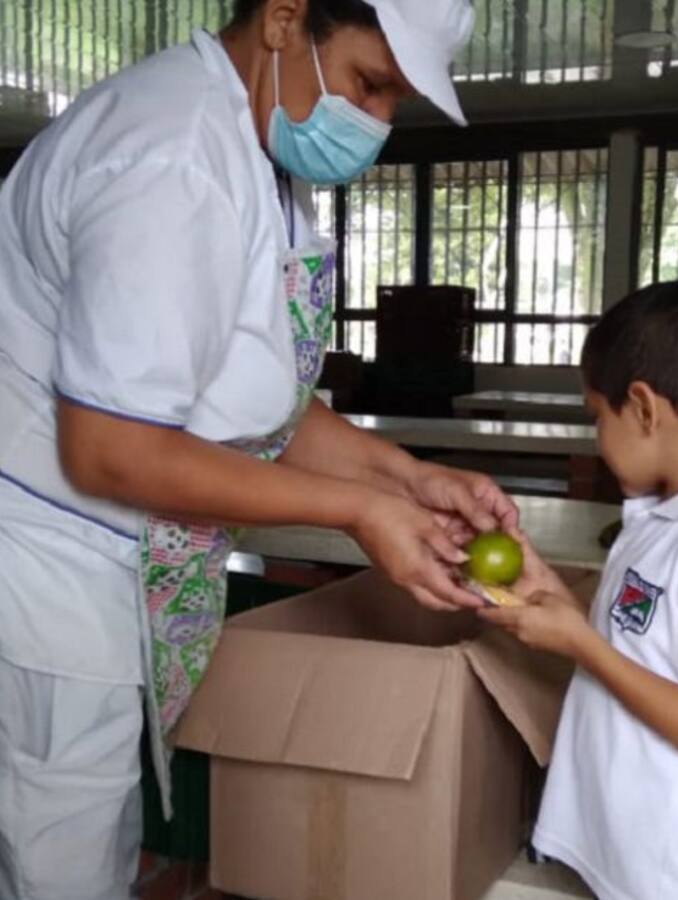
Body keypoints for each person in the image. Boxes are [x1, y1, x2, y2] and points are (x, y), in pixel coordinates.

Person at [0, 1, 517, 897]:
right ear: (285, 19)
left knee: (86, 834)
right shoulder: (171, 158)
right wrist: (361, 509)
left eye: (396, 99)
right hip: (48, 561)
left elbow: (255, 399)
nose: (379, 122)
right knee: (61, 859)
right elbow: (111, 450)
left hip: (108, 560)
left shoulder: (259, 149)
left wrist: (405, 474)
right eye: (371, 82)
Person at [482, 282, 678, 900]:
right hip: (631, 860)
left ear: (645, 408)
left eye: (597, 417)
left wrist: (580, 645)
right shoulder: (666, 516)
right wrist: (562, 604)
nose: (597, 440)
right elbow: (644, 652)